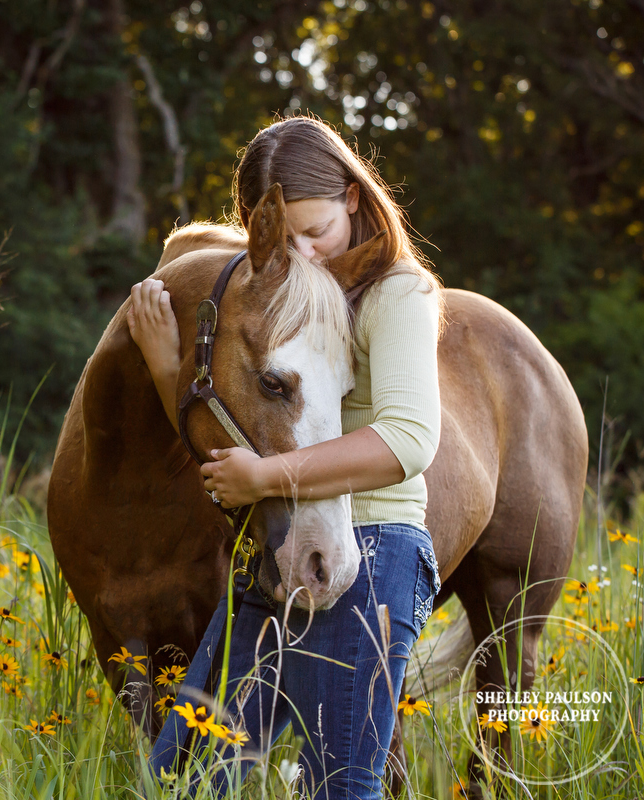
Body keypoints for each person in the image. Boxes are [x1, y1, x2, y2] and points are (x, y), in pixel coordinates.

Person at [127, 115, 443, 799]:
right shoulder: (292, 294)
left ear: (354, 198)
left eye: (316, 230)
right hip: (273, 545)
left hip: (372, 543)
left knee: (336, 784)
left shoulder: (396, 294)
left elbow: (410, 440)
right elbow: (237, 434)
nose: (303, 252)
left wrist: (266, 477)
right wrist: (165, 370)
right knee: (189, 777)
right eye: (283, 236)